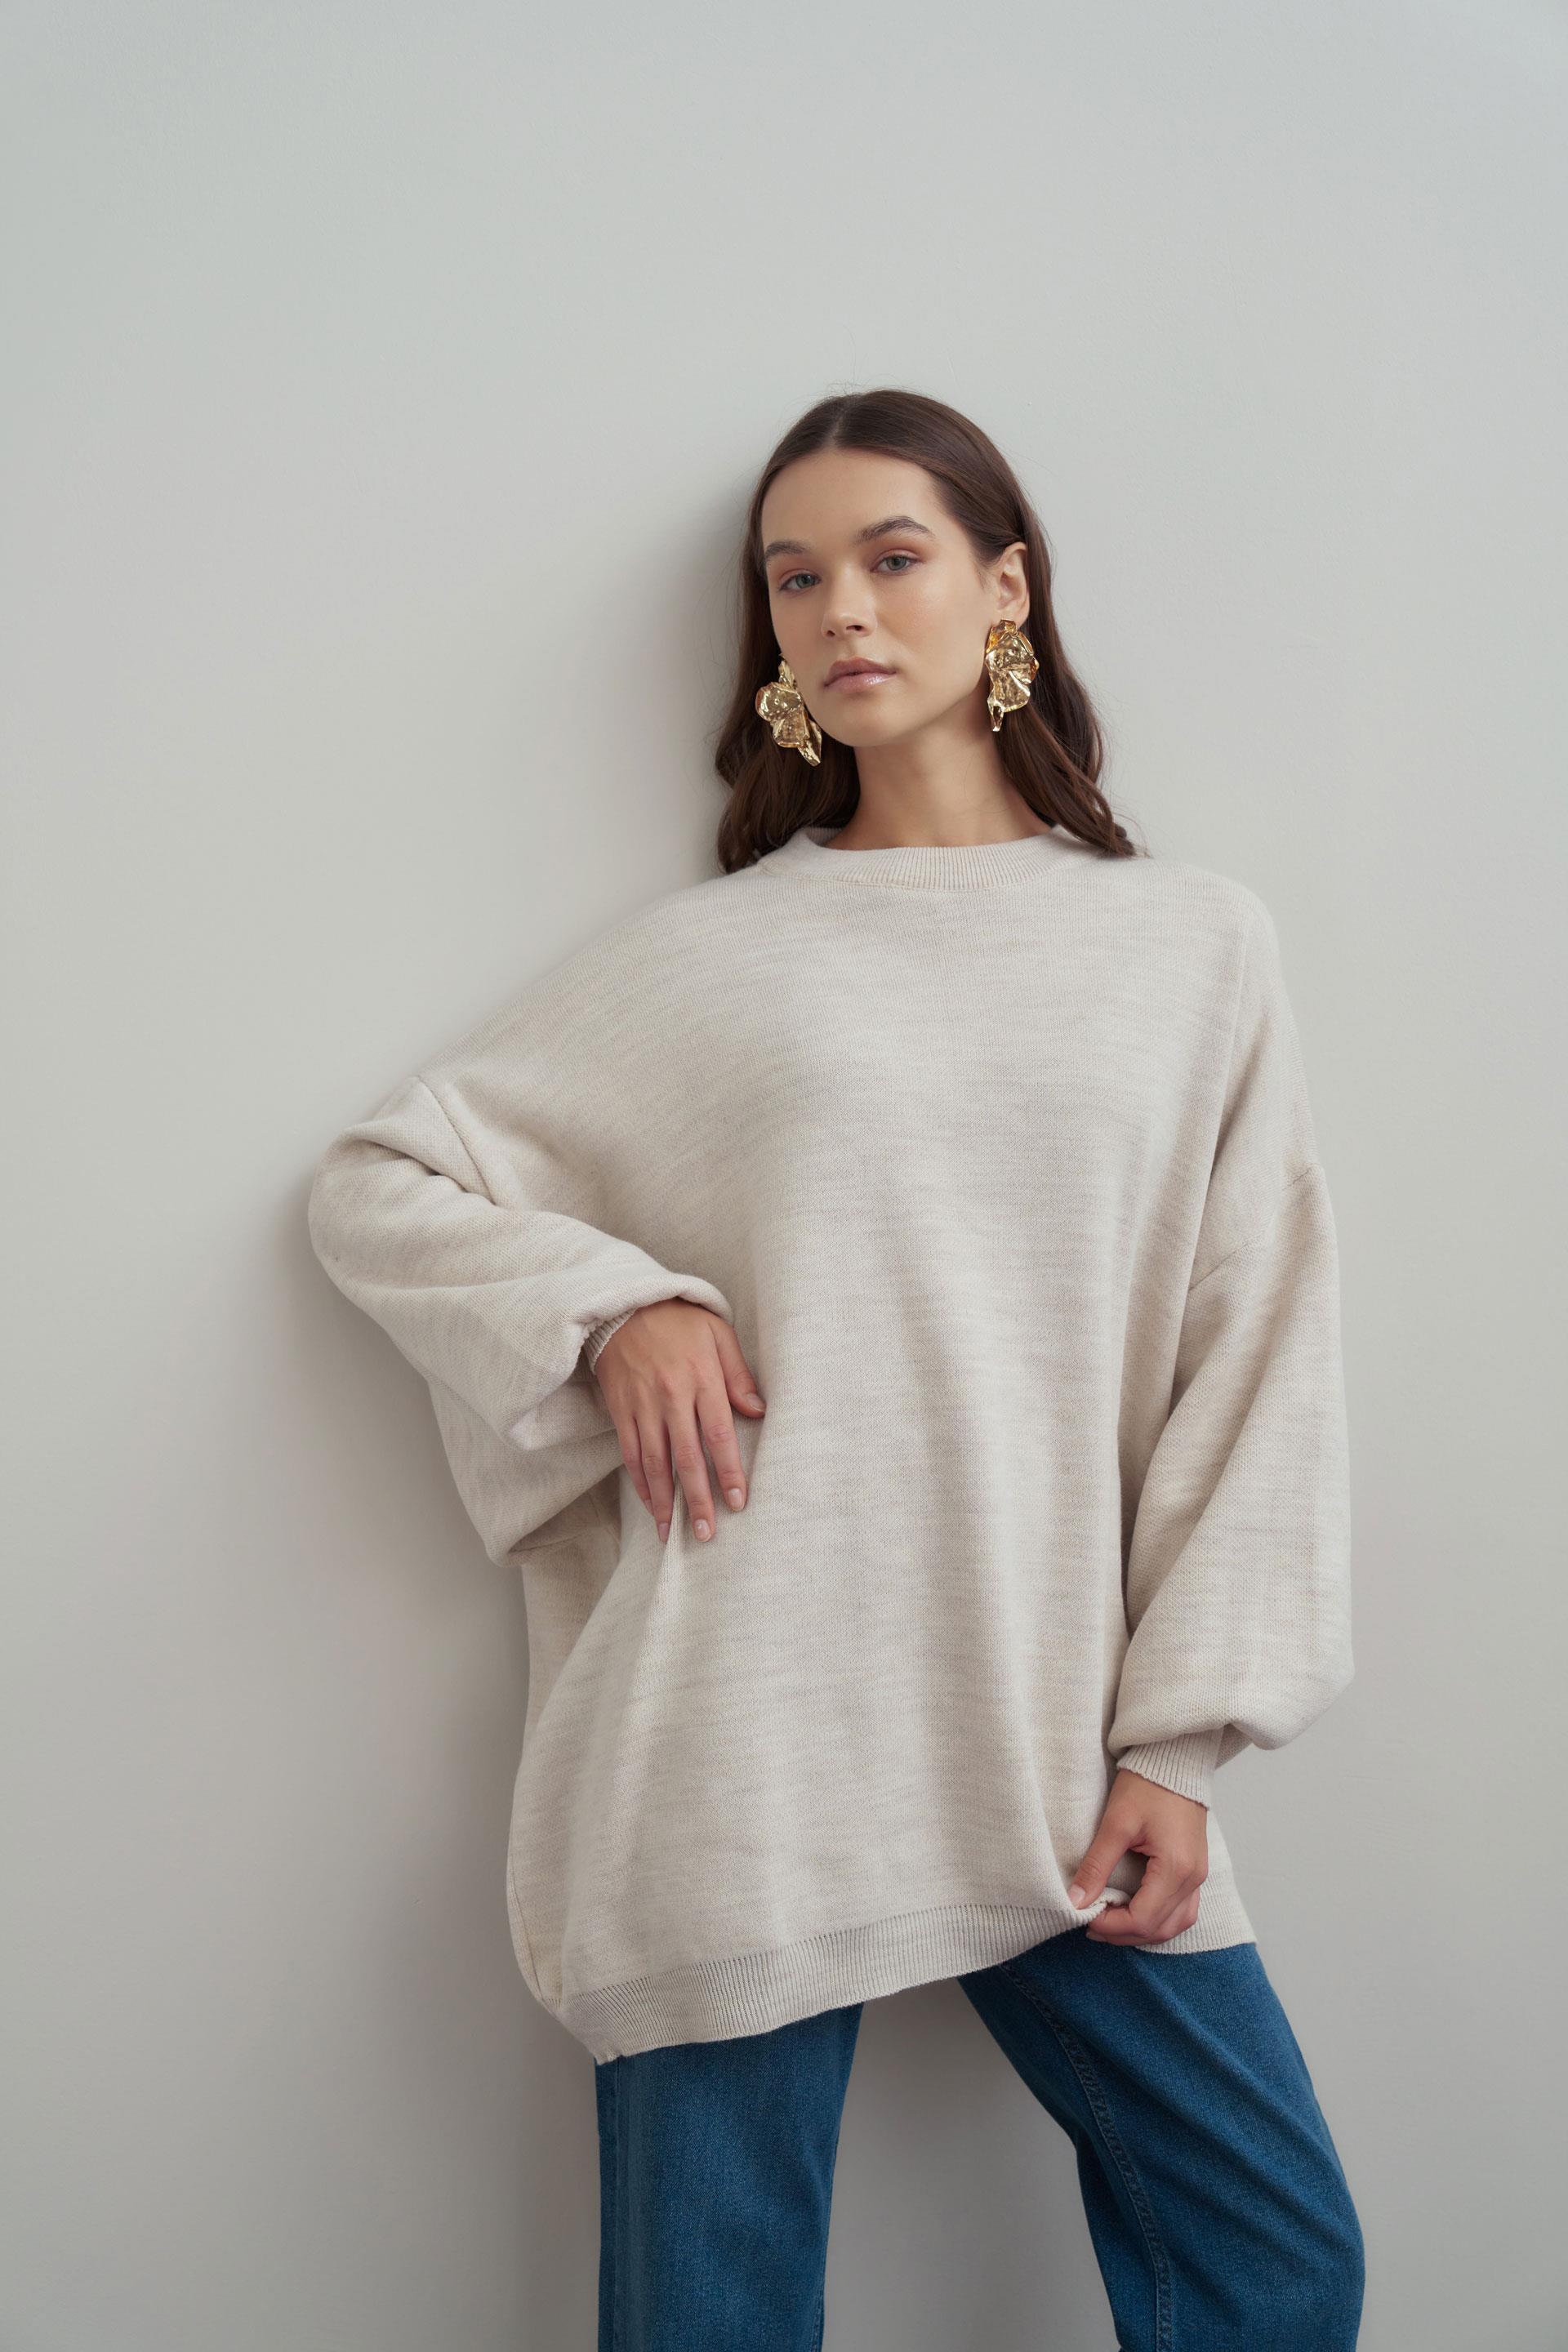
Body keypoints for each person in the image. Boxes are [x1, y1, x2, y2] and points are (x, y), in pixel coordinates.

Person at [307, 387, 1365, 2349]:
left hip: (1057, 1745)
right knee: (713, 2321)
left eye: (893, 558)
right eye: (795, 579)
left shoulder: (1191, 948)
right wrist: (614, 1307)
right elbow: (380, 1184)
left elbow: (1257, 1348)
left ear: (1006, 587)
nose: (841, 611)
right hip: (743, 1734)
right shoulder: (714, 961)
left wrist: (1179, 1744)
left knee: (1277, 2255)